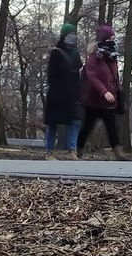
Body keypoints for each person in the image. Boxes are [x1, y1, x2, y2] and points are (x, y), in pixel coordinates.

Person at [77, 25, 130, 161]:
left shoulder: (112, 57)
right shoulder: (94, 58)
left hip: (109, 100)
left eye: (113, 38)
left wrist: (117, 91)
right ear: (103, 39)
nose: (112, 40)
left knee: (112, 125)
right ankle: (78, 149)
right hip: (93, 100)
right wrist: (104, 91)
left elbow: (114, 76)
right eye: (110, 38)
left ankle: (118, 151)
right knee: (88, 125)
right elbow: (92, 77)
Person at [43, 23, 82, 160]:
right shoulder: (56, 52)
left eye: (74, 34)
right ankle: (49, 152)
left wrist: (78, 90)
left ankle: (72, 150)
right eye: (70, 34)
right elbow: (50, 75)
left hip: (72, 94)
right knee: (53, 123)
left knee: (75, 121)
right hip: (57, 93)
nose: (73, 36)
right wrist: (57, 89)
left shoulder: (76, 54)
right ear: (64, 35)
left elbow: (78, 73)